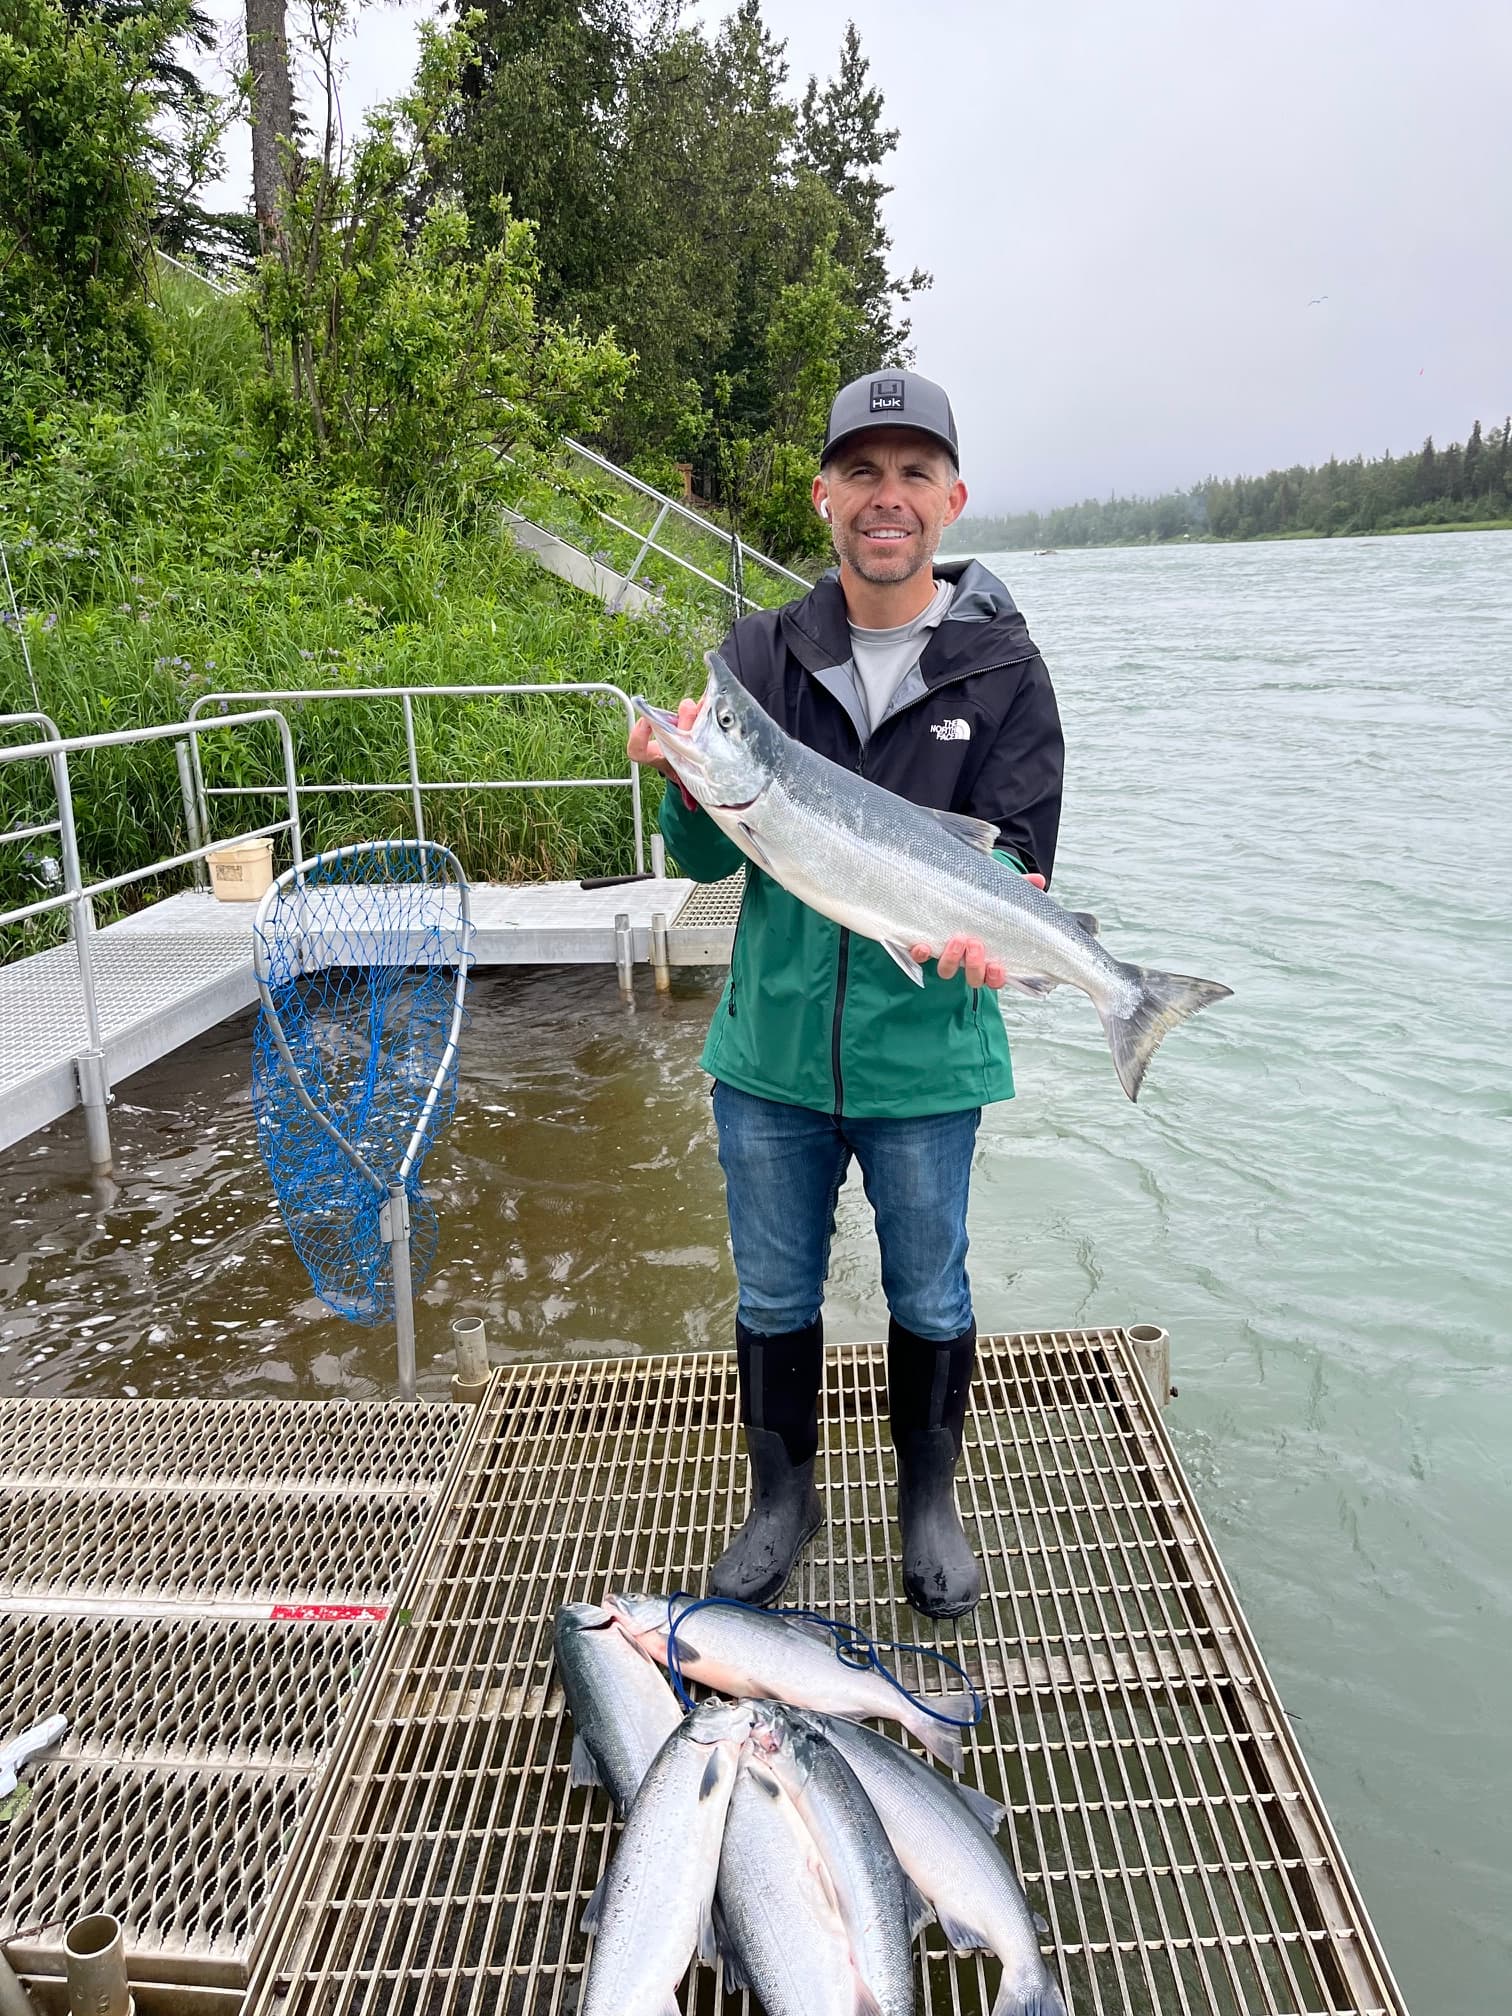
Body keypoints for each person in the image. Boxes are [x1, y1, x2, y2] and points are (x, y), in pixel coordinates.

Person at [627, 370, 1064, 1619]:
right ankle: (782, 1499)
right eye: (862, 473)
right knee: (774, 1294)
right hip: (769, 1055)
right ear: (823, 496)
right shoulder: (757, 656)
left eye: (914, 473)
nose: (888, 498)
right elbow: (705, 856)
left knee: (931, 1293)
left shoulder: (1006, 672)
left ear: (952, 499)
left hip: (927, 1057)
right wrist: (680, 773)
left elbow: (1022, 860)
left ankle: (928, 1503)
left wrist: (1008, 930)